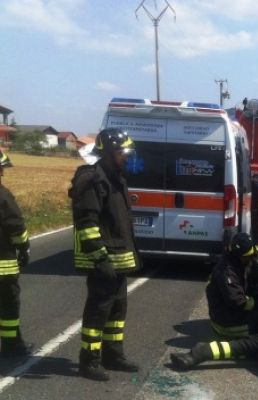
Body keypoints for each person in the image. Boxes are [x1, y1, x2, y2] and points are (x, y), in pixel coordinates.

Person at [69, 128, 140, 381]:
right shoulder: (92, 179)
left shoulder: (115, 177)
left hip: (118, 260)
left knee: (117, 311)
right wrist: (100, 259)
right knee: (98, 312)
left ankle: (113, 355)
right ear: (110, 153)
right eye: (124, 152)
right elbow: (86, 224)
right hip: (103, 261)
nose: (128, 156)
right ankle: (89, 361)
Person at [206, 232, 258, 339]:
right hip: (225, 323)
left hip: (233, 310)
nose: (251, 258)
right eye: (248, 256)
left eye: (251, 255)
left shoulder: (245, 261)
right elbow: (237, 301)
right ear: (237, 255)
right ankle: (251, 339)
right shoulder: (226, 272)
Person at [0, 150, 33, 357]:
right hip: (3, 264)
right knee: (8, 304)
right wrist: (24, 248)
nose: (2, 172)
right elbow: (16, 226)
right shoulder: (2, 195)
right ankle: (12, 345)